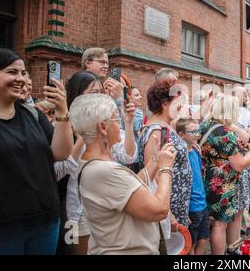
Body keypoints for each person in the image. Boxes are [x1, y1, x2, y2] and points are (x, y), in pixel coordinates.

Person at [69, 93, 177, 255]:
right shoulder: (104, 171)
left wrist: (156, 159)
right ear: (103, 127)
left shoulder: (94, 165)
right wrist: (165, 169)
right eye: (116, 120)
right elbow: (159, 210)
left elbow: (130, 188)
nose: (119, 126)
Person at [0, 48, 73, 255]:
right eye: (12, 72)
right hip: (4, 226)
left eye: (23, 73)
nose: (20, 78)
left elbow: (61, 152)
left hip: (45, 220)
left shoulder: (32, 114)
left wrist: (62, 110)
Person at [54, 70, 138, 255]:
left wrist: (129, 123)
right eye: (93, 92)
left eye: (100, 91)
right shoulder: (62, 124)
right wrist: (85, 133)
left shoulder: (106, 124)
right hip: (78, 207)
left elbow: (128, 155)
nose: (99, 96)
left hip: (108, 204)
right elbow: (60, 169)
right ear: (77, 95)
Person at [199, 94, 250, 255]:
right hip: (222, 185)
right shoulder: (225, 133)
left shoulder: (205, 126)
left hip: (207, 180)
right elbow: (239, 165)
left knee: (212, 222)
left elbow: (249, 137)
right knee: (219, 224)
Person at [138, 78, 192, 238]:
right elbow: (152, 177)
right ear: (164, 103)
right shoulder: (156, 131)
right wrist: (170, 215)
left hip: (177, 204)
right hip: (166, 208)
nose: (181, 105)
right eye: (178, 101)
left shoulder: (166, 126)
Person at [226, 86, 250, 253]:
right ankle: (232, 245)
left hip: (246, 161)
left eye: (247, 94)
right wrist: (247, 133)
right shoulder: (229, 112)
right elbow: (248, 137)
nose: (247, 96)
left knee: (241, 206)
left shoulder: (245, 113)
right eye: (244, 94)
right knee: (235, 206)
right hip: (235, 163)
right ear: (234, 95)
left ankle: (235, 243)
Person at [176, 118, 209, 255]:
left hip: (203, 204)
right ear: (181, 135)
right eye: (193, 131)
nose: (197, 134)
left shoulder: (195, 151)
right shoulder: (180, 155)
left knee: (204, 239)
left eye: (198, 131)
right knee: (190, 243)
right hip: (192, 207)